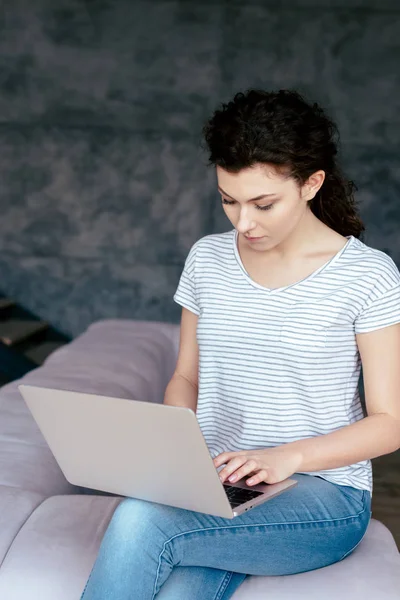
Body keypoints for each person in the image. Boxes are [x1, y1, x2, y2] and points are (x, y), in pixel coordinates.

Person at [81, 89, 400, 599]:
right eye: (229, 200)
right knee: (180, 589)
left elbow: (390, 423)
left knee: (142, 521)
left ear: (311, 183)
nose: (243, 222)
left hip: (323, 496)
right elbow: (186, 377)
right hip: (216, 486)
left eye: (263, 203)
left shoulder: (368, 276)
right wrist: (176, 452)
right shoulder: (207, 259)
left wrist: (285, 458)